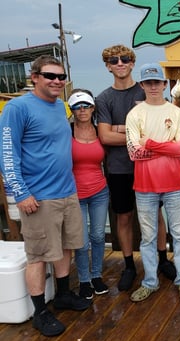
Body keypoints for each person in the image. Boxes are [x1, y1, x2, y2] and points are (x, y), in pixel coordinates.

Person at [0, 55, 91, 337]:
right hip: (37, 198)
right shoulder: (17, 108)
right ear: (34, 77)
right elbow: (7, 153)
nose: (57, 82)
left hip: (67, 191)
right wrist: (21, 193)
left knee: (66, 246)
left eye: (61, 77)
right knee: (38, 256)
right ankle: (40, 311)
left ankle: (63, 294)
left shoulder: (60, 107)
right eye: (50, 76)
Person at [95, 44, 176, 292]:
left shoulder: (147, 90)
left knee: (157, 216)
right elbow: (105, 137)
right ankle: (129, 265)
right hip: (119, 169)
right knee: (124, 216)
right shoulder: (103, 98)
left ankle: (163, 260)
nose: (120, 63)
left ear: (132, 63)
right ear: (108, 66)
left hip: (150, 167)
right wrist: (137, 134)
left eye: (125, 59)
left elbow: (162, 129)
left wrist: (120, 128)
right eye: (114, 60)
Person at [125, 63, 180, 302]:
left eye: (157, 82)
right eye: (148, 82)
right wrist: (168, 147)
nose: (153, 87)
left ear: (165, 85)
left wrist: (152, 144)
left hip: (174, 184)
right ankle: (150, 282)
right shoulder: (134, 114)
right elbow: (134, 153)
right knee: (148, 237)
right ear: (142, 85)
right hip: (144, 186)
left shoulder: (178, 113)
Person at [68, 89, 110, 299]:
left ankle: (96, 276)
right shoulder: (66, 132)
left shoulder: (99, 132)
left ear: (93, 108)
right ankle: (84, 280)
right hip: (74, 194)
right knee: (82, 241)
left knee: (98, 236)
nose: (82, 110)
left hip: (99, 192)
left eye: (86, 105)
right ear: (72, 109)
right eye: (77, 106)